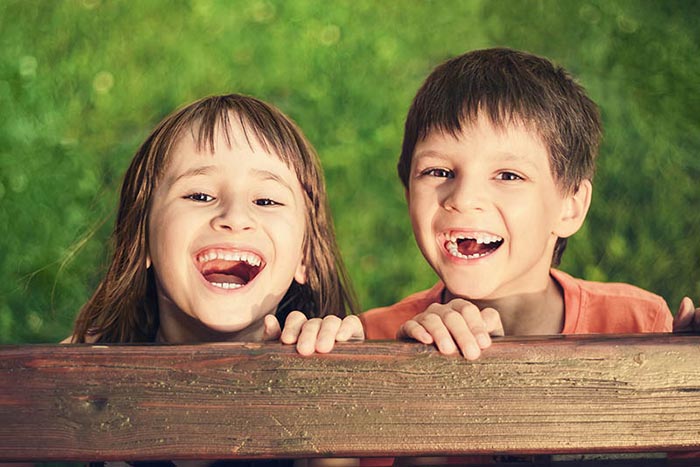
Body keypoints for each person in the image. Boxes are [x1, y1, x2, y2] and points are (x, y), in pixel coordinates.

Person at [360, 47, 699, 360]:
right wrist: (406, 364)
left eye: (508, 176)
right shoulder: (373, 337)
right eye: (439, 171)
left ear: (570, 207)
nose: (463, 199)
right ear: (408, 195)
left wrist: (682, 361)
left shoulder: (639, 323)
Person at [67, 94, 363, 354]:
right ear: (142, 238)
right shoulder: (71, 374)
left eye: (266, 201)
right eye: (200, 195)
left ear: (305, 256)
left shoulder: (329, 355)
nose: (234, 218)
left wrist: (349, 367)